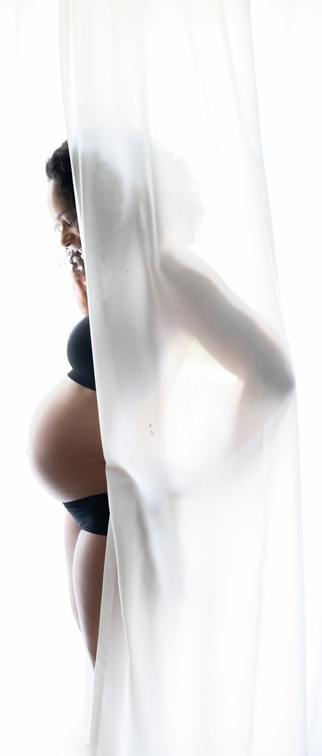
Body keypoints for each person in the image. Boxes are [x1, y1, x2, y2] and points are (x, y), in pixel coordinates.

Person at [28, 140, 294, 668]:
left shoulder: (169, 272)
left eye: (69, 220)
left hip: (111, 499)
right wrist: (87, 276)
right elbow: (125, 362)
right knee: (104, 670)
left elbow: (272, 374)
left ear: (103, 206)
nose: (62, 236)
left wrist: (206, 462)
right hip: (87, 500)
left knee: (117, 675)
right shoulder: (127, 274)